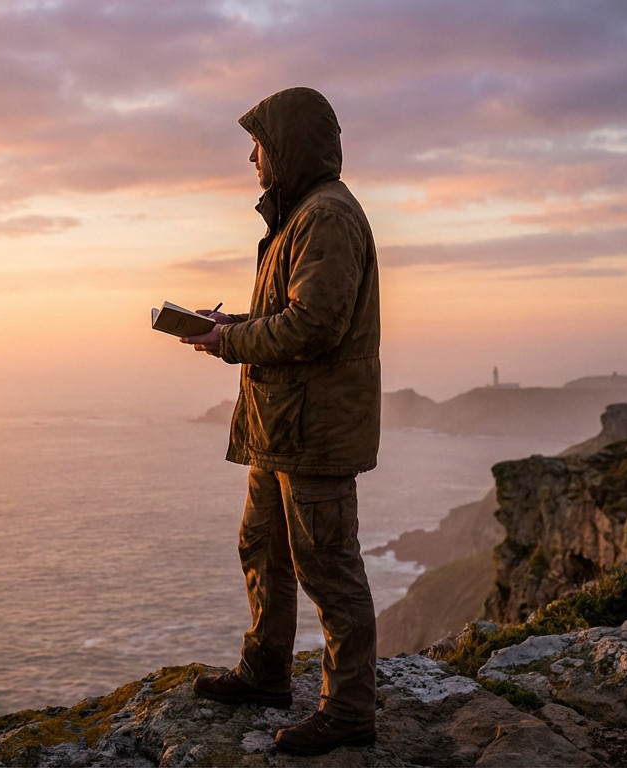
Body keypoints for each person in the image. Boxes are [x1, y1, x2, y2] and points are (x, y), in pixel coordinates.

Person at [179, 86, 381, 756]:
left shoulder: (326, 216)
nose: (251, 155)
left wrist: (229, 343)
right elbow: (291, 312)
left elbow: (315, 325)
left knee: (328, 569)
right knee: (263, 548)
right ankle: (266, 673)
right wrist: (232, 323)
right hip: (280, 430)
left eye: (259, 142)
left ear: (286, 145)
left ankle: (348, 712)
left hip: (314, 434)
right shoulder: (300, 216)